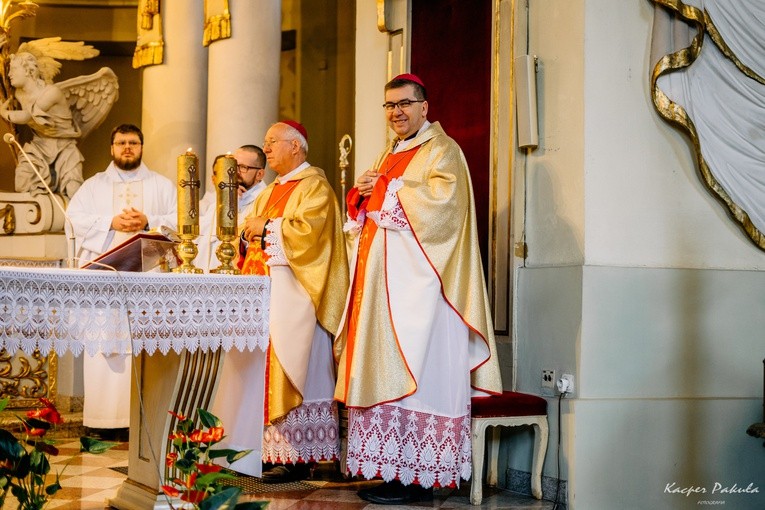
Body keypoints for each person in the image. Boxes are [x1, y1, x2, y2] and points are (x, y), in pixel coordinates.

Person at [333, 74, 503, 504]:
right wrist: (359, 198)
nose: (397, 112)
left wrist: (385, 190)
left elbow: (444, 208)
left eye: (405, 104)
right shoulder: (390, 153)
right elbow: (373, 214)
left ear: (424, 107)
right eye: (389, 105)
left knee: (421, 376)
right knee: (386, 373)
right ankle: (392, 469)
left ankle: (418, 478)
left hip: (424, 296)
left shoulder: (442, 150)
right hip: (385, 291)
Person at [211, 121, 348, 481]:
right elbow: (252, 232)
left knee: (296, 367)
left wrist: (266, 228)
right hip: (263, 296)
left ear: (296, 147)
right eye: (266, 143)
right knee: (258, 370)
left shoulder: (315, 187)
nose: (267, 149)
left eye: (273, 143)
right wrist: (245, 235)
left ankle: (298, 455)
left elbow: (311, 239)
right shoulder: (270, 190)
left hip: (299, 299)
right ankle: (266, 450)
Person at [66, 123, 177, 437]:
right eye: (121, 143)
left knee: (141, 343)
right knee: (104, 345)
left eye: (133, 142)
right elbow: (73, 219)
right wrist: (110, 222)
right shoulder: (93, 186)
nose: (127, 148)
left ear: (142, 146)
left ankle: (139, 421)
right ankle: (101, 421)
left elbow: (180, 219)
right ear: (111, 148)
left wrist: (149, 221)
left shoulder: (162, 185)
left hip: (147, 281)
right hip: (105, 280)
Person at [0, 52, 84, 199]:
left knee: (73, 190)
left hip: (64, 148)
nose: (9, 74)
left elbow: (27, 116)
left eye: (13, 69)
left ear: (29, 71)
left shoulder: (52, 92)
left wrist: (3, 112)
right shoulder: (19, 93)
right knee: (22, 183)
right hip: (39, 146)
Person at [196, 145, 266, 272]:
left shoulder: (263, 202)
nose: (234, 172)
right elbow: (201, 235)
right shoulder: (221, 200)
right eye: (233, 165)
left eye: (243, 167)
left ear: (259, 174)